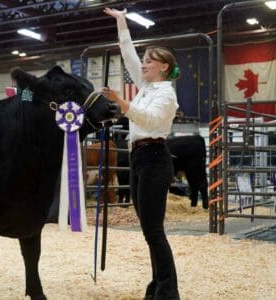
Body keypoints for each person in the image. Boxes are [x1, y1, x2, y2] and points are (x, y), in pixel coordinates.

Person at [103, 7, 180, 299]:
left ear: (164, 66)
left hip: (154, 159)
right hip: (139, 158)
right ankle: (158, 287)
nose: (144, 63)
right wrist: (122, 22)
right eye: (145, 59)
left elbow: (147, 120)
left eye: (151, 60)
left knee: (154, 232)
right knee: (150, 231)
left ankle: (168, 293)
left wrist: (121, 101)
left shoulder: (166, 94)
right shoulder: (147, 86)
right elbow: (128, 55)